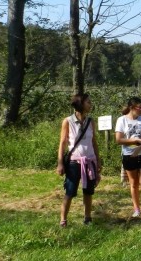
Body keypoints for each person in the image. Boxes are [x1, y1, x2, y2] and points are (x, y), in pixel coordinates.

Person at [56, 93, 102, 227]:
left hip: (90, 161)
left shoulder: (91, 122)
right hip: (73, 163)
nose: (90, 104)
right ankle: (63, 220)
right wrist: (60, 163)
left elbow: (94, 142)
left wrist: (98, 161)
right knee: (70, 191)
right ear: (80, 104)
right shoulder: (67, 121)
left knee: (88, 191)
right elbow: (63, 143)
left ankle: (87, 218)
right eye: (88, 102)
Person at [115, 97, 141, 220]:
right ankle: (136, 210)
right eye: (139, 107)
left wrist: (139, 148)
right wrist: (135, 140)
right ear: (132, 107)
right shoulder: (121, 120)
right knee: (134, 183)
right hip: (128, 155)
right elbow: (119, 140)